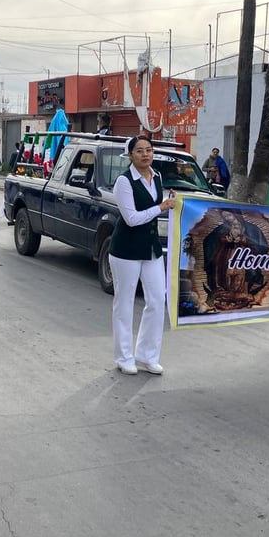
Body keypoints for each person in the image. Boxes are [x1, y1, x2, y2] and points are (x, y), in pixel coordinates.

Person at [109, 135, 176, 375]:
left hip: (151, 248)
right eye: (139, 151)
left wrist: (170, 202)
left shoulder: (156, 176)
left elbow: (159, 205)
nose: (145, 154)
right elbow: (132, 218)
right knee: (124, 303)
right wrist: (161, 207)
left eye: (149, 150)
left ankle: (147, 355)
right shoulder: (124, 182)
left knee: (157, 300)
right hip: (126, 250)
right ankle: (124, 357)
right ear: (130, 155)